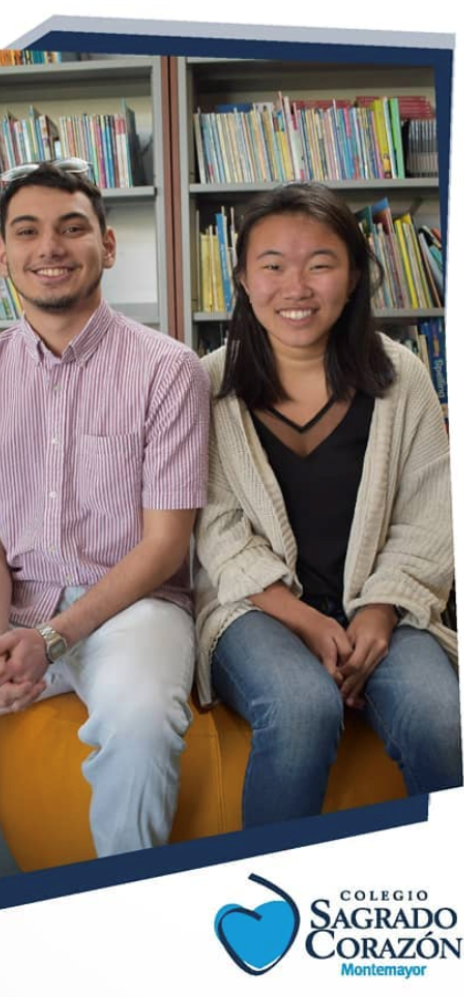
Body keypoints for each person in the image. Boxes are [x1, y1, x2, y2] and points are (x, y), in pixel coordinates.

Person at [0, 159, 210, 859]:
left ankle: (118, 910)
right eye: (27, 231)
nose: (48, 247)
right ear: (3, 255)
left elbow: (165, 545)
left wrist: (50, 640)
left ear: (107, 246)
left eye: (72, 228)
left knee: (142, 721)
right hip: (13, 607)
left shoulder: (167, 369)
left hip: (133, 609)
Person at [194, 182, 462, 830]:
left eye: (320, 263)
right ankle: (269, 896)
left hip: (384, 601)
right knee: (302, 706)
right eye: (274, 265)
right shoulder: (206, 384)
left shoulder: (404, 378)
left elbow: (433, 514)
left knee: (440, 718)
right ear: (242, 278)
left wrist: (376, 610)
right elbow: (216, 525)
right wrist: (306, 622)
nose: (297, 287)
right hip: (253, 608)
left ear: (353, 276)